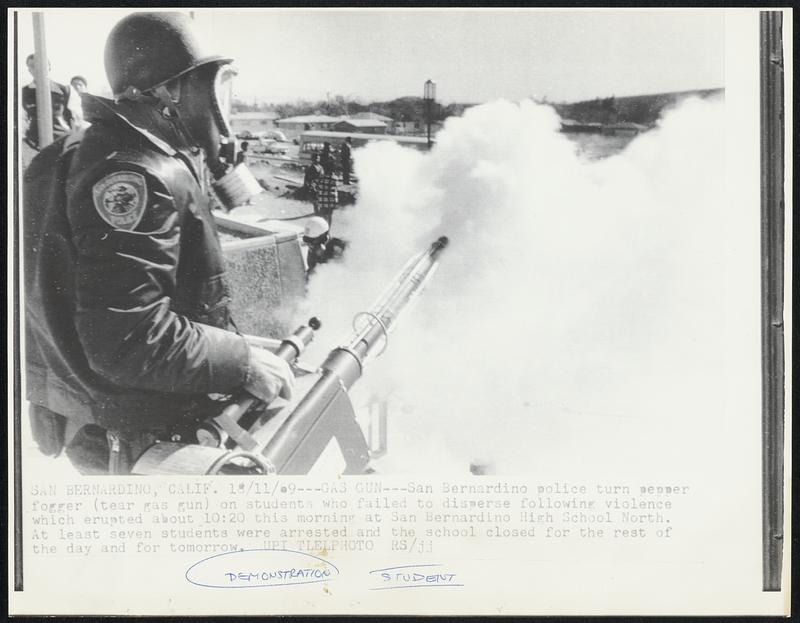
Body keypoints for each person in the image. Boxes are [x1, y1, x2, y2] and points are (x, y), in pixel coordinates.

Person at [24, 12, 294, 475]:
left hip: (89, 418)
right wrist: (241, 360)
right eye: (212, 86)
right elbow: (129, 340)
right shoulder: (138, 175)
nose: (219, 106)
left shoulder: (65, 154)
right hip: (133, 435)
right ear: (170, 92)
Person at [21, 54, 73, 149]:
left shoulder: (64, 90)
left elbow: (75, 118)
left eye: (41, 65)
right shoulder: (24, 92)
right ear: (29, 70)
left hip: (61, 141)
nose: (37, 69)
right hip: (34, 143)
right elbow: (22, 118)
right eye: (32, 66)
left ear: (49, 67)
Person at [313, 161, 339, 225]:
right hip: (331, 200)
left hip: (322, 200)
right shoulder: (335, 178)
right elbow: (336, 186)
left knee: (322, 215)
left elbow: (314, 184)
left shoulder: (320, 178)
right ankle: (328, 231)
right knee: (330, 215)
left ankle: (322, 230)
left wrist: (317, 189)